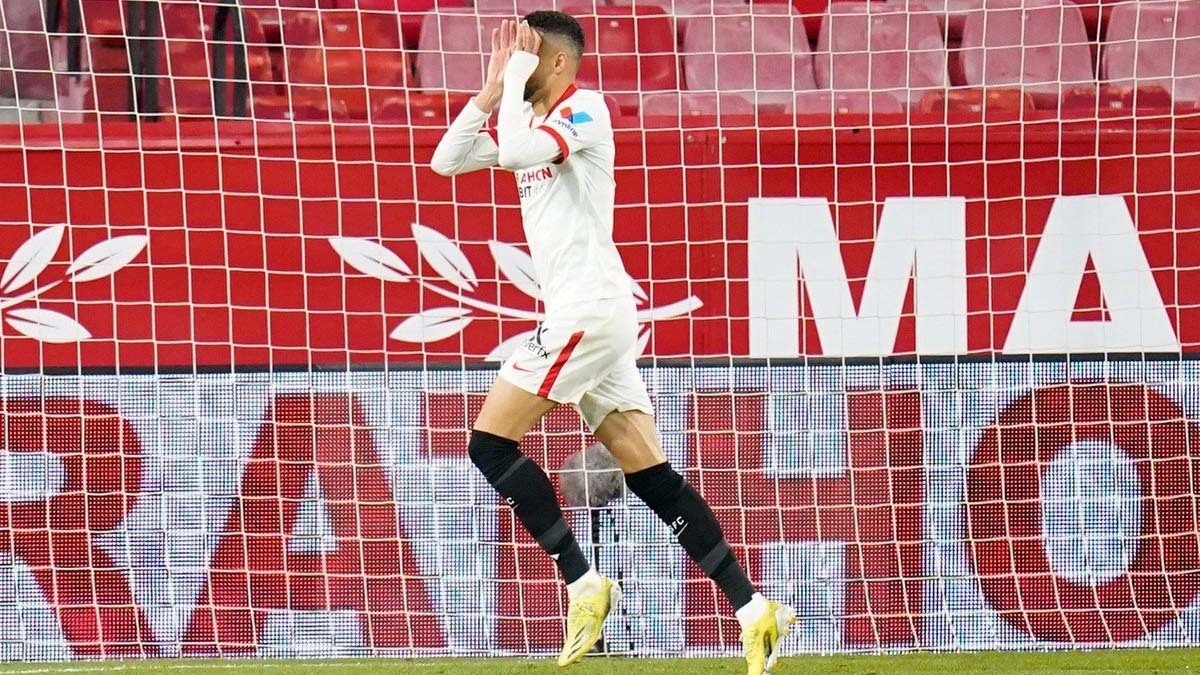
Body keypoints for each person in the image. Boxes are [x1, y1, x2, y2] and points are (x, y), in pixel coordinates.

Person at [430, 12, 795, 674]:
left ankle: (581, 581)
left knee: (489, 443)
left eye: (525, 53)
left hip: (587, 314)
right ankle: (753, 609)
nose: (513, 61)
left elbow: (514, 153)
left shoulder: (585, 110)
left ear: (556, 62)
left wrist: (514, 80)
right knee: (651, 474)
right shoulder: (524, 121)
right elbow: (446, 160)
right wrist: (490, 92)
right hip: (594, 318)